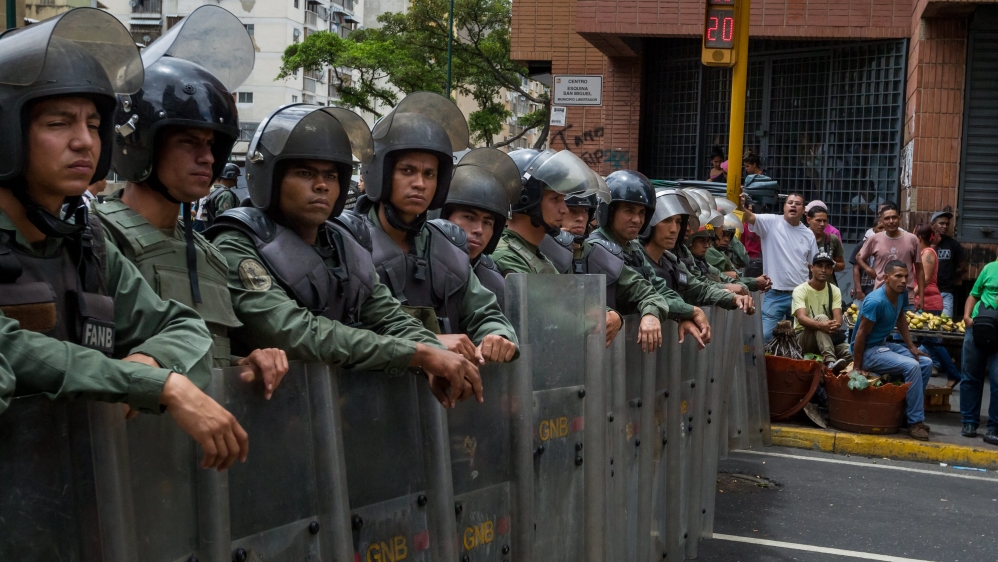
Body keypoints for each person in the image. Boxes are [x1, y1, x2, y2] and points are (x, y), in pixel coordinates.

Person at [0, 8, 247, 470]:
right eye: (58, 124)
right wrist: (159, 386)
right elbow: (9, 346)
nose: (84, 142)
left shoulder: (86, 240)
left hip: (84, 496)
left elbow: (184, 328)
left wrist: (148, 367)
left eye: (93, 124)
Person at [208, 103, 485, 407]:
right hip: (265, 414)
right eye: (304, 173)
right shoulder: (238, 242)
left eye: (331, 175)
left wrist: (435, 353)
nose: (322, 185)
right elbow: (296, 333)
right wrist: (418, 354)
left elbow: (389, 316)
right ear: (270, 176)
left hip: (339, 414)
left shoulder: (345, 244)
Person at [96, 7, 288, 398]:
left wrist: (244, 365)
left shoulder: (209, 256)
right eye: (187, 142)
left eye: (211, 145)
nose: (206, 158)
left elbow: (209, 356)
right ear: (140, 143)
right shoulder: (99, 239)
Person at [344, 92, 519, 364]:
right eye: (407, 171)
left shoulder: (447, 247)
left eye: (430, 174)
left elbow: (484, 311)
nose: (420, 184)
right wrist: (426, 343)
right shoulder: (347, 240)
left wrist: (496, 335)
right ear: (381, 173)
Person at [493, 151, 688, 350]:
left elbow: (575, 301)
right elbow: (557, 315)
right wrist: (607, 317)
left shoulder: (541, 255)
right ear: (526, 198)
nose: (564, 209)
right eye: (555, 199)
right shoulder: (507, 255)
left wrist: (613, 315)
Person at [851, 261, 933, 441]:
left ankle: (904, 414)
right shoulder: (876, 301)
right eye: (898, 276)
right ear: (886, 278)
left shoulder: (900, 294)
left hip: (882, 345)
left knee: (925, 363)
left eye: (906, 276)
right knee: (912, 366)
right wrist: (857, 366)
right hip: (868, 351)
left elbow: (901, 319)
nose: (904, 280)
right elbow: (860, 335)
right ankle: (915, 423)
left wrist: (912, 348)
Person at [436, 148, 521, 311]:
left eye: (487, 223)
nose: (478, 230)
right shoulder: (416, 265)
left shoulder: (496, 285)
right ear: (444, 217)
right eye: (469, 217)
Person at [738, 192, 820, 342]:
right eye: (790, 202)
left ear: (804, 210)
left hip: (800, 295)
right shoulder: (771, 222)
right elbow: (748, 216)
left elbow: (813, 265)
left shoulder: (808, 234)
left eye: (797, 203)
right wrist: (739, 204)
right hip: (775, 292)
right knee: (764, 336)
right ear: (784, 207)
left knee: (798, 340)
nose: (793, 205)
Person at [912, 224, 961, 388]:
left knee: (932, 341)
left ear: (919, 238)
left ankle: (954, 373)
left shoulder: (928, 253)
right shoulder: (922, 252)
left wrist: (912, 294)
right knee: (929, 341)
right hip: (924, 299)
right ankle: (951, 373)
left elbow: (925, 279)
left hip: (929, 300)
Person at [856, 203, 924, 311]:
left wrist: (921, 296)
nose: (891, 221)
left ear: (899, 218)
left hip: (906, 296)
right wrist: (870, 270)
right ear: (881, 221)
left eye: (894, 217)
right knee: (881, 327)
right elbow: (859, 257)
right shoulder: (874, 239)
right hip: (881, 296)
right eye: (887, 218)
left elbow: (920, 269)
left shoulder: (912, 239)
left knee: (905, 327)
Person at [792, 252, 851, 373]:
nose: (823, 270)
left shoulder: (834, 290)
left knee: (851, 352)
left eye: (828, 267)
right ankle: (830, 361)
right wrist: (821, 325)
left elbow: (838, 320)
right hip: (803, 339)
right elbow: (802, 318)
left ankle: (835, 377)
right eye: (819, 266)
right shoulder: (800, 290)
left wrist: (832, 325)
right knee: (821, 318)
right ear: (811, 268)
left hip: (827, 337)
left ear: (831, 271)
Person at [960, 259, 998, 445]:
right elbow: (974, 294)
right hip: (977, 328)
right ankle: (969, 422)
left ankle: (994, 427)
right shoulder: (990, 268)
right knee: (970, 376)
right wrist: (967, 317)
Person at [930, 210, 966, 318]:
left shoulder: (953, 244)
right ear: (933, 225)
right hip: (928, 293)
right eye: (941, 223)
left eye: (947, 224)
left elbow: (963, 266)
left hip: (946, 292)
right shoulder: (925, 242)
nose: (945, 226)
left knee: (945, 326)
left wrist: (950, 273)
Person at [805, 205, 845, 286]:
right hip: (804, 287)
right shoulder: (800, 238)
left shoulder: (832, 239)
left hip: (827, 287)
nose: (822, 224)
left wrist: (830, 263)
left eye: (825, 221)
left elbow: (842, 265)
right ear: (809, 220)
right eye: (818, 220)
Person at [849, 218, 884, 304]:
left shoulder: (891, 246)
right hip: (864, 289)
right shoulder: (863, 245)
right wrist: (858, 290)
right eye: (880, 228)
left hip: (883, 290)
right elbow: (856, 269)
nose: (883, 231)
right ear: (874, 229)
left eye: (885, 228)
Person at [201, 162, 242, 227]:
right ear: (231, 176)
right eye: (236, 176)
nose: (237, 179)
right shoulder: (226, 194)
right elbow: (224, 219)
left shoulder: (214, 191)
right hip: (223, 233)